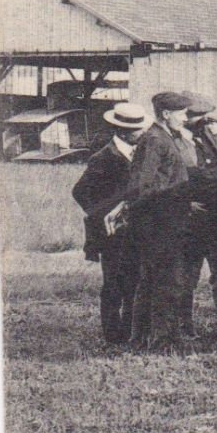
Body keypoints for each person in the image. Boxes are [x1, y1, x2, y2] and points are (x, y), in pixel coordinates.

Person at [107, 91, 197, 351]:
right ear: (166, 114)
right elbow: (142, 185)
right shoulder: (156, 140)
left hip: (165, 221)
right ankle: (163, 342)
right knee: (167, 282)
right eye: (182, 113)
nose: (186, 117)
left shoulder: (162, 138)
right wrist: (169, 200)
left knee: (151, 282)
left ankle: (142, 339)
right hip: (161, 224)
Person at [71, 102, 151, 347]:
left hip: (134, 232)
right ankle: (112, 335)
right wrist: (107, 214)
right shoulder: (104, 158)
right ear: (124, 132)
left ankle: (129, 331)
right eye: (137, 130)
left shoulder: (140, 155)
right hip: (112, 235)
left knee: (133, 282)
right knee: (114, 284)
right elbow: (81, 192)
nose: (142, 133)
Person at [181, 94, 217, 337]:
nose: (203, 123)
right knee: (187, 276)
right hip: (190, 220)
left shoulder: (212, 140)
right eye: (197, 118)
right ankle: (184, 326)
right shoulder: (175, 142)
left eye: (205, 119)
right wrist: (185, 203)